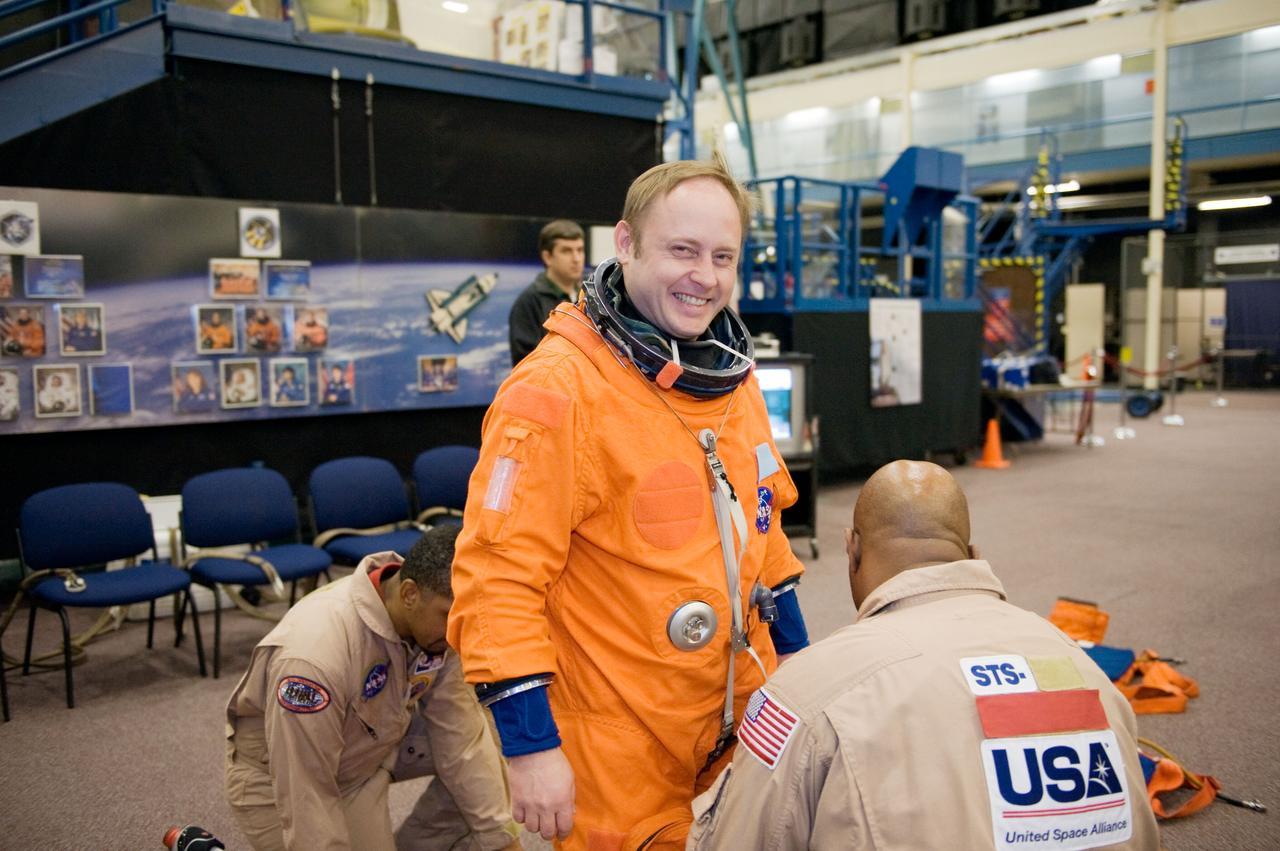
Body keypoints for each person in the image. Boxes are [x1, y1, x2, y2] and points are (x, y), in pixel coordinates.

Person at [449, 156, 811, 850]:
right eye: (682, 249)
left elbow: (767, 540)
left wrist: (803, 669)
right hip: (618, 750)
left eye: (722, 256)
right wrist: (530, 749)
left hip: (740, 721)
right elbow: (498, 578)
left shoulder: (733, 385)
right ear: (625, 243)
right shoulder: (555, 391)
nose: (703, 275)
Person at [687, 460, 1161, 850]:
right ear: (972, 552)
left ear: (851, 552)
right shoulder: (1088, 674)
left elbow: (735, 840)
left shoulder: (805, 695)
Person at [225, 525, 521, 851]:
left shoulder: (437, 623)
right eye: (451, 616)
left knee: (491, 734)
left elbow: (460, 736)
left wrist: (501, 839)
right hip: (281, 784)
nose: (461, 634)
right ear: (409, 594)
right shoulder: (313, 660)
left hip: (369, 751)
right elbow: (304, 787)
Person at [507, 219, 585, 366]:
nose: (576, 259)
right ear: (547, 257)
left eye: (580, 250)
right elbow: (525, 364)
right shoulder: (529, 302)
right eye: (566, 251)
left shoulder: (591, 294)